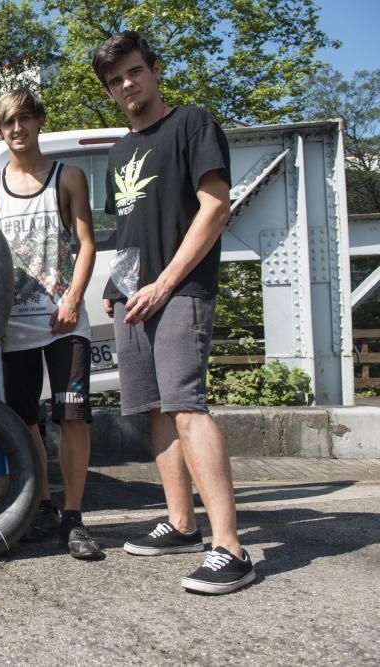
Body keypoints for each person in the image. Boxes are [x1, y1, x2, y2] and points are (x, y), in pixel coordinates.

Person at [92, 31, 255, 593]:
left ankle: (231, 548)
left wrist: (164, 283)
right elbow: (132, 228)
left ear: (155, 70)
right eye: (115, 81)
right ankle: (182, 522)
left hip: (180, 291)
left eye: (134, 72)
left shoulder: (192, 124)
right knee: (154, 411)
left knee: (186, 406)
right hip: (135, 297)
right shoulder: (117, 152)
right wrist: (118, 284)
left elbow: (214, 209)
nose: (126, 85)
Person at [0, 89, 103, 560]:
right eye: (8, 124)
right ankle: (43, 506)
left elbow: (88, 244)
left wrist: (73, 299)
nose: (18, 129)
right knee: (25, 420)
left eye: (25, 120)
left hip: (63, 322)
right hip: (13, 326)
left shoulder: (67, 176)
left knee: (71, 415)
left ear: (39, 121)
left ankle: (74, 518)